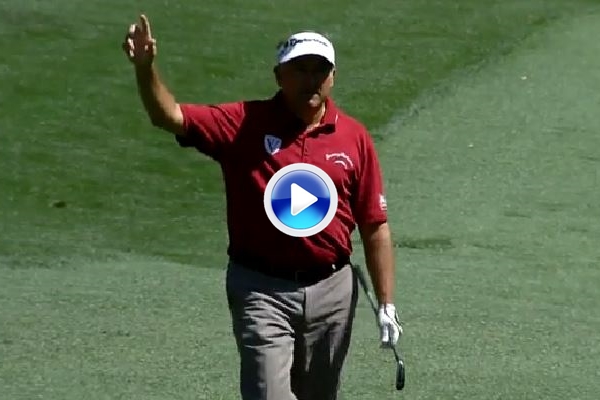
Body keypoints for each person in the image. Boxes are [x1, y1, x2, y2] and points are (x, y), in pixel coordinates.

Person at [122, 14, 403, 400]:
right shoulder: (243, 123)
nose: (310, 80)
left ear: (333, 77)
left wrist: (386, 303)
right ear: (279, 76)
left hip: (332, 290)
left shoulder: (354, 137)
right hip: (261, 289)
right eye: (299, 70)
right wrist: (145, 69)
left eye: (319, 70)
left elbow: (374, 224)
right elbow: (168, 116)